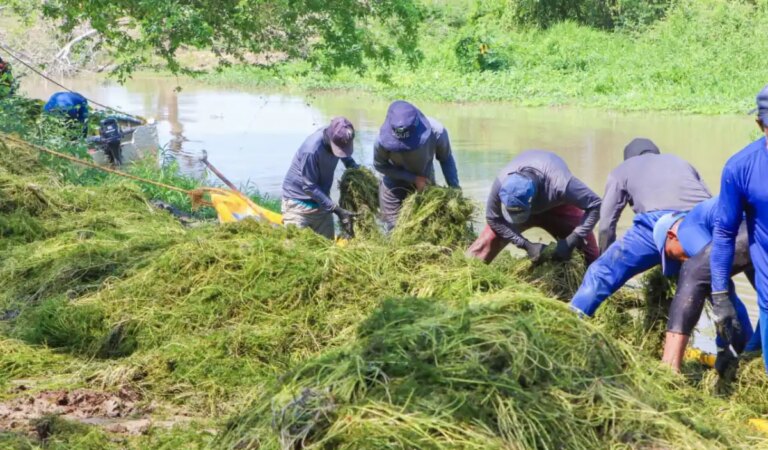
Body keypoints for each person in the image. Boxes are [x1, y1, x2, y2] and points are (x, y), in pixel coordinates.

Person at [569, 138, 712, 317]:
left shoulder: (622, 170)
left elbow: (606, 224)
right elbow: (709, 200)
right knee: (717, 285)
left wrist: (606, 257)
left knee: (601, 273)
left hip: (659, 223)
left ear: (628, 158)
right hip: (700, 222)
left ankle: (573, 321)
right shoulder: (681, 162)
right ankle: (741, 342)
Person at [652, 197, 756, 374]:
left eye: (671, 254)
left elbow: (717, 284)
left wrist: (724, 345)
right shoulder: (711, 221)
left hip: (756, 221)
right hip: (757, 222)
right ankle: (752, 354)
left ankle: (669, 369)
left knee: (693, 272)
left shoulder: (688, 229)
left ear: (672, 236)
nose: (678, 260)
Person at [711, 84, 768, 375]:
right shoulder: (741, 168)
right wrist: (720, 293)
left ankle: (747, 357)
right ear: (760, 125)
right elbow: (724, 234)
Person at [466, 150, 601, 264]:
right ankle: (468, 271)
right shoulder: (501, 183)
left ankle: (596, 286)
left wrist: (572, 239)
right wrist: (525, 244)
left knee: (590, 254)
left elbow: (596, 205)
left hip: (559, 206)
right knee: (485, 243)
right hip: (522, 206)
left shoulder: (560, 184)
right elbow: (493, 218)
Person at [374, 100, 460, 229]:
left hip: (425, 181)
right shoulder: (382, 140)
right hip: (393, 184)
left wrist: (455, 189)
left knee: (428, 228)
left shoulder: (436, 131)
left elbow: (445, 159)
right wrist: (413, 178)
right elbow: (380, 165)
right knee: (394, 230)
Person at [282, 117, 360, 239]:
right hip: (298, 204)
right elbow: (309, 187)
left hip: (321, 202)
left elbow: (343, 152)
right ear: (330, 137)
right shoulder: (311, 150)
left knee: (328, 248)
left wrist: (353, 166)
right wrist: (337, 210)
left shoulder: (338, 136)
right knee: (296, 250)